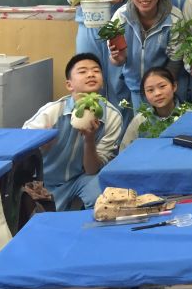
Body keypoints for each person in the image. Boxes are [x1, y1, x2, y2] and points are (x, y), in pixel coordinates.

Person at [23, 54, 121, 210]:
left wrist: (89, 140)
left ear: (103, 81)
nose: (91, 74)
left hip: (80, 180)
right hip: (44, 181)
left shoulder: (112, 117)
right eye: (82, 71)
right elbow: (20, 146)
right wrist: (39, 144)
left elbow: (92, 170)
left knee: (103, 191)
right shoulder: (53, 112)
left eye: (96, 71)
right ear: (69, 85)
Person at [109, 0, 183, 111]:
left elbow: (175, 59)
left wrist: (159, 88)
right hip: (135, 87)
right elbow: (117, 60)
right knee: (142, 123)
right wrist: (118, 58)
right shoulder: (120, 17)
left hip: (165, 87)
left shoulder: (174, 17)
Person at [120, 67, 180, 151]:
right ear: (145, 94)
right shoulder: (140, 120)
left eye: (162, 86)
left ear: (174, 86)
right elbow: (124, 151)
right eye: (150, 90)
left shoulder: (189, 116)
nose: (157, 93)